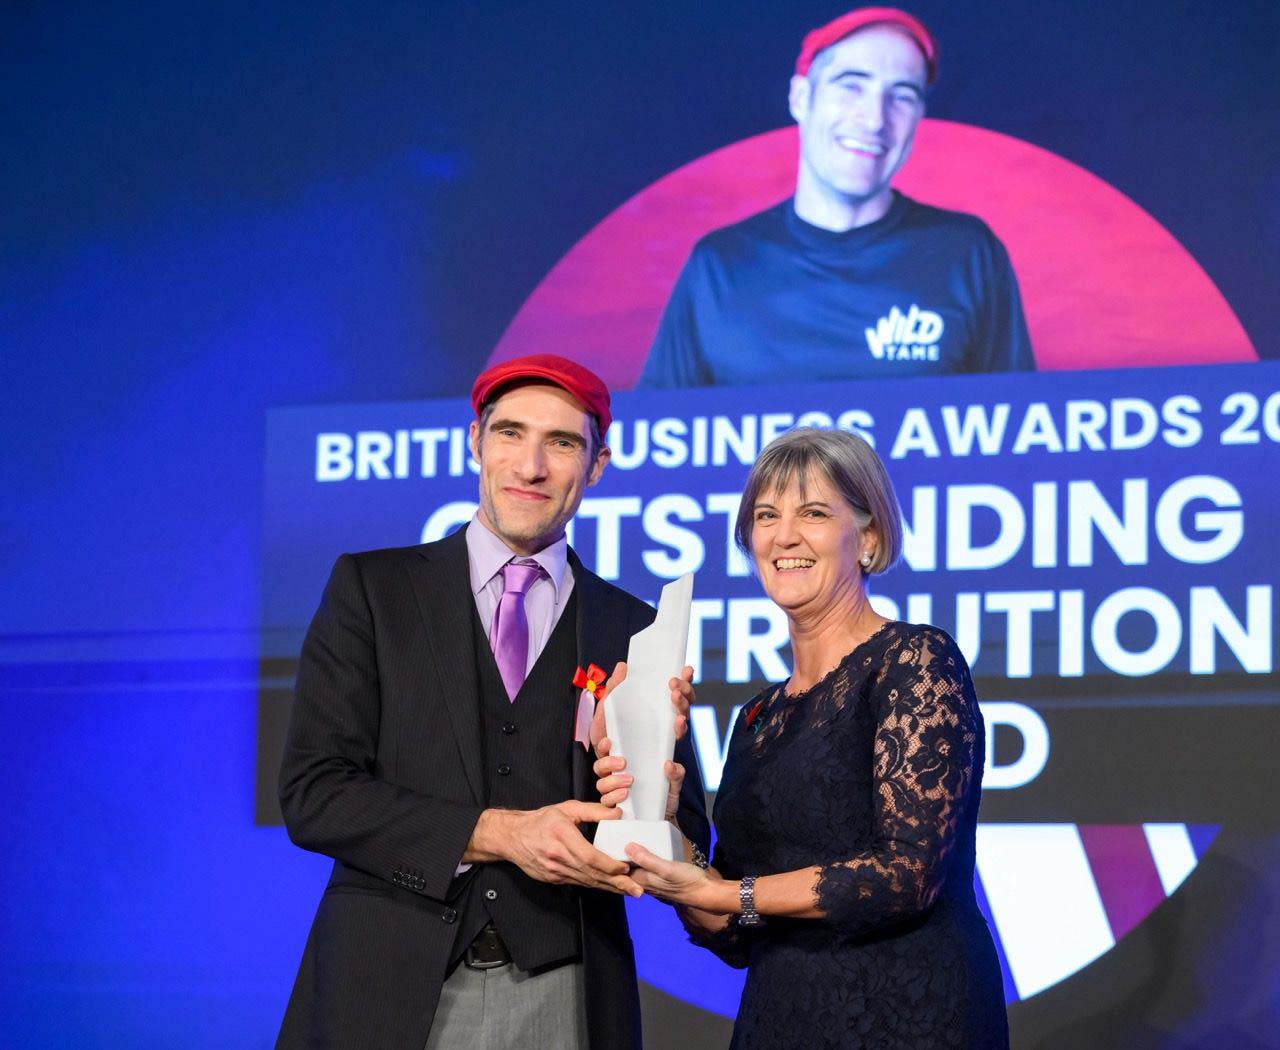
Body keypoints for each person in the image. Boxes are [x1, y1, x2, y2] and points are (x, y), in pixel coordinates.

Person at [276, 353, 710, 1050]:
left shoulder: (631, 628)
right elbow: (313, 794)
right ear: (474, 443)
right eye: (510, 434)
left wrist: (643, 793)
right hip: (383, 987)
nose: (531, 465)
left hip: (563, 997)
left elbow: (683, 836)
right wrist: (502, 833)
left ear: (597, 465)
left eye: (562, 443)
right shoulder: (374, 591)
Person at [607, 427, 1008, 1049]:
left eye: (814, 513)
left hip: (908, 1016)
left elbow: (906, 874)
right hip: (782, 1018)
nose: (784, 535)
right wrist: (657, 818)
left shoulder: (914, 662)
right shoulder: (757, 716)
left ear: (868, 539)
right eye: (766, 516)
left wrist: (730, 892)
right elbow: (732, 926)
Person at [638, 7, 1034, 387]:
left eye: (902, 95)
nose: (875, 119)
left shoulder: (967, 252)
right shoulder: (720, 265)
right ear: (800, 98)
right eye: (851, 86)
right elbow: (663, 439)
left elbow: (1025, 433)